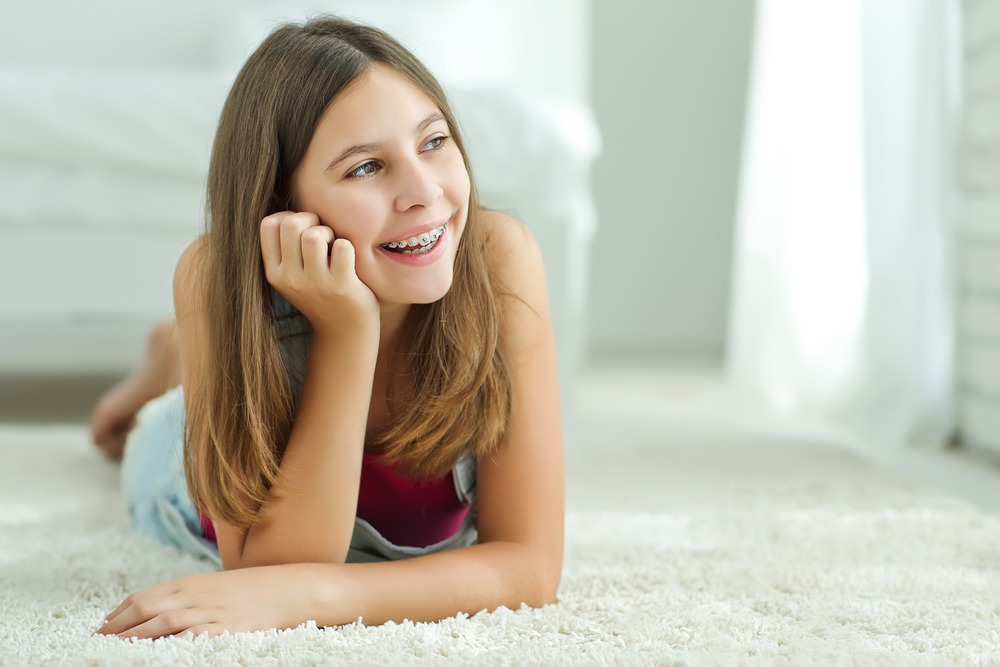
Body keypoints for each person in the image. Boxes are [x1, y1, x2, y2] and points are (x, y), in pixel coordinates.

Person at [91, 15, 564, 639]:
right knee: (129, 436)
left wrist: (326, 591)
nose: (424, 192)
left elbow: (530, 568)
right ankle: (171, 368)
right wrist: (346, 334)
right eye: (365, 167)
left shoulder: (498, 259)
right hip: (174, 474)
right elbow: (262, 572)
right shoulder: (215, 281)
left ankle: (175, 352)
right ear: (282, 209)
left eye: (432, 142)